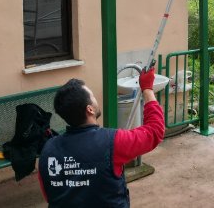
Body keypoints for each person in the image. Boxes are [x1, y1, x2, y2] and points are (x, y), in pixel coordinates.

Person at [38, 68, 165, 207]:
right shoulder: (113, 142)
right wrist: (147, 89)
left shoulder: (48, 149)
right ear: (90, 109)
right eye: (92, 96)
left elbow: (49, 194)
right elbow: (154, 131)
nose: (95, 99)